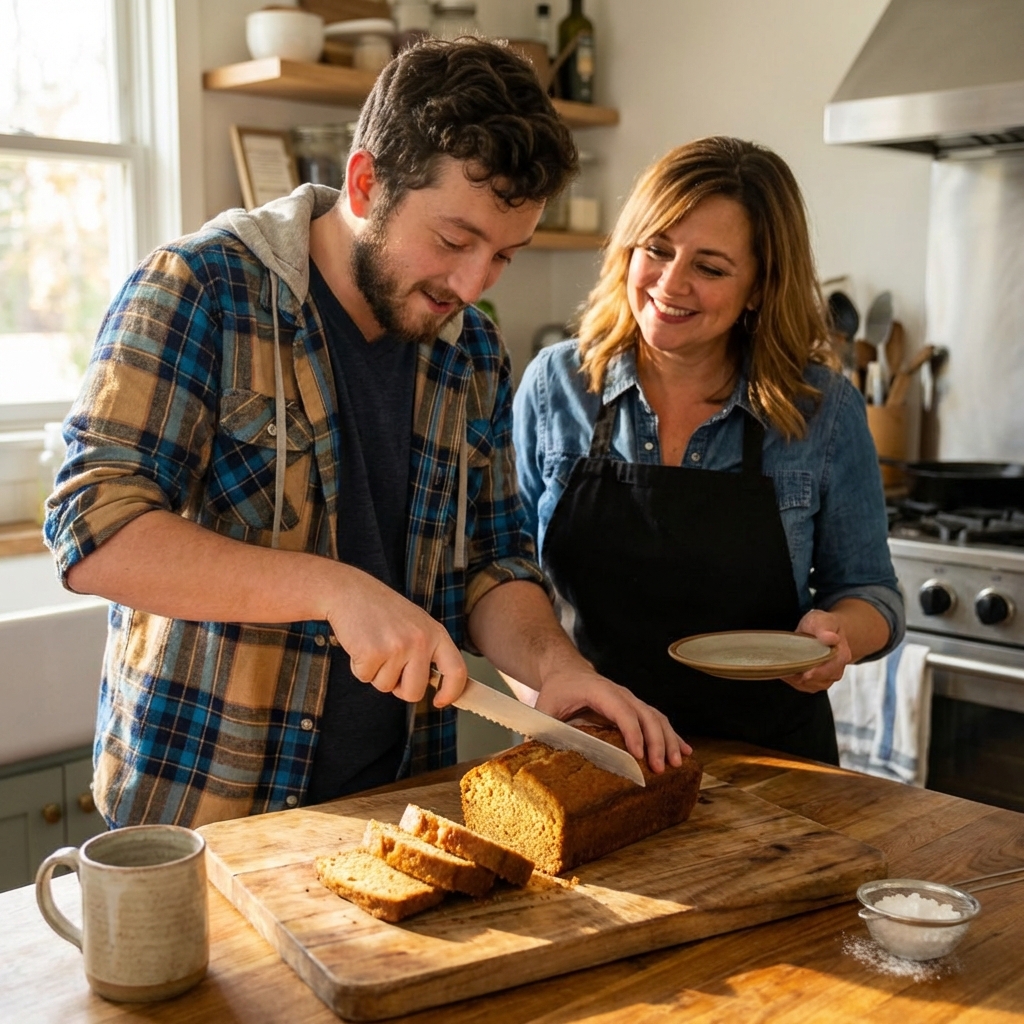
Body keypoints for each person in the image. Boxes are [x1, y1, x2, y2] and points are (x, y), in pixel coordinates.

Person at [45, 39, 686, 830]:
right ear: (364, 181)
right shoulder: (201, 288)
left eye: (504, 257)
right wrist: (333, 587)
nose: (472, 285)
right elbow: (93, 529)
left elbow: (492, 561)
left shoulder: (473, 352)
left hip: (399, 805)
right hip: (208, 813)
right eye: (454, 242)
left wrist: (557, 669)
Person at [513, 136, 905, 764]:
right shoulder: (554, 386)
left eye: (711, 267)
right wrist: (540, 686)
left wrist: (838, 636)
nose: (671, 284)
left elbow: (872, 593)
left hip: (774, 766)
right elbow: (507, 578)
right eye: (658, 250)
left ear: (758, 288)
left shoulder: (822, 409)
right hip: (594, 752)